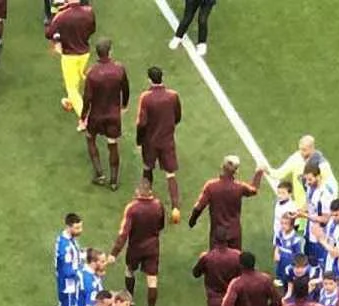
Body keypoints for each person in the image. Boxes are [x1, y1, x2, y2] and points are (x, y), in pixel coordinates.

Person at [109, 180, 166, 306]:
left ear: (138, 192)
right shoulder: (158, 205)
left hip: (135, 247)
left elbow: (123, 233)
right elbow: (161, 225)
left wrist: (114, 253)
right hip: (152, 247)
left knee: (129, 271)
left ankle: (130, 299)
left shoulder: (132, 208)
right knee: (152, 280)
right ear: (150, 191)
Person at [136, 67, 183, 224]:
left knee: (147, 168)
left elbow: (142, 123)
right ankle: (175, 209)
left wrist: (139, 140)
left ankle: (145, 201)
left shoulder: (146, 97)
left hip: (150, 141)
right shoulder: (173, 95)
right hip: (167, 140)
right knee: (170, 174)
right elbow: (177, 116)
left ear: (149, 79)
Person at [80, 39, 130, 189]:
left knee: (90, 138)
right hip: (113, 114)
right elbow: (126, 89)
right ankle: (114, 182)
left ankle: (99, 174)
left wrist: (83, 116)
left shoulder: (92, 73)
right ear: (110, 52)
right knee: (112, 144)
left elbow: (87, 97)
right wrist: (124, 105)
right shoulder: (119, 69)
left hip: (96, 115)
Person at [189, 155, 266, 251]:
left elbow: (198, 207)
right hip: (234, 233)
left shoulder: (211, 186)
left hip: (217, 234)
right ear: (236, 171)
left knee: (216, 258)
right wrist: (259, 172)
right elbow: (253, 190)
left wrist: (192, 221)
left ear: (222, 166)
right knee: (235, 258)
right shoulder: (239, 187)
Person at [45, 0, 96, 121]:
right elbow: (92, 29)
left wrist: (58, 39)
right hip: (85, 53)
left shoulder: (62, 15)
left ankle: (85, 118)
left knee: (72, 88)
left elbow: (49, 33)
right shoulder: (89, 12)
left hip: (69, 56)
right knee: (78, 79)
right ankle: (70, 101)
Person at [267, 135, 338, 211]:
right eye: (300, 149)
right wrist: (267, 170)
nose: (301, 153)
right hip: (300, 208)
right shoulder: (296, 158)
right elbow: (279, 174)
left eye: (304, 150)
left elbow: (332, 187)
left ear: (312, 148)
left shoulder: (322, 165)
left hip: (315, 209)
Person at [55, 214, 85, 306]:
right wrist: (83, 270)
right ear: (68, 227)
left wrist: (82, 255)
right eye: (77, 228)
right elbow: (68, 272)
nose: (80, 230)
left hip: (63, 285)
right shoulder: (66, 247)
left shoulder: (64, 238)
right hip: (69, 287)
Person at [297, 164, 337, 269]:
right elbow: (309, 203)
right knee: (307, 260)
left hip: (320, 236)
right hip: (309, 231)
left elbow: (326, 218)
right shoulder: (310, 187)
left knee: (318, 265)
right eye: (306, 179)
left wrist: (305, 215)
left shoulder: (325, 194)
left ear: (318, 177)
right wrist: (299, 211)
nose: (307, 182)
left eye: (310, 179)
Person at [272, 206, 303, 289]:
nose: (283, 226)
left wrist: (295, 265)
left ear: (292, 225)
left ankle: (289, 285)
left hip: (289, 261)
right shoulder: (280, 233)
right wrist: (276, 252)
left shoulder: (295, 239)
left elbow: (298, 255)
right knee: (280, 271)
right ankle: (280, 279)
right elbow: (278, 244)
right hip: (281, 258)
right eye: (282, 223)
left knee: (288, 276)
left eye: (286, 224)